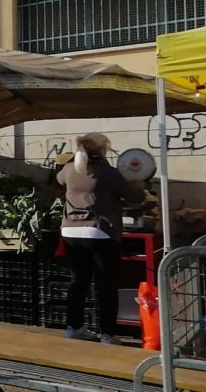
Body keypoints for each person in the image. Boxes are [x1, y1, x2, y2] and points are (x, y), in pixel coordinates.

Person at [57, 132, 145, 345]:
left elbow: (58, 180)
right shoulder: (108, 172)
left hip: (70, 232)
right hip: (100, 231)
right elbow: (136, 198)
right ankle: (107, 334)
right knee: (106, 283)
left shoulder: (69, 169)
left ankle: (73, 328)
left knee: (78, 282)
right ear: (102, 150)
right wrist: (139, 186)